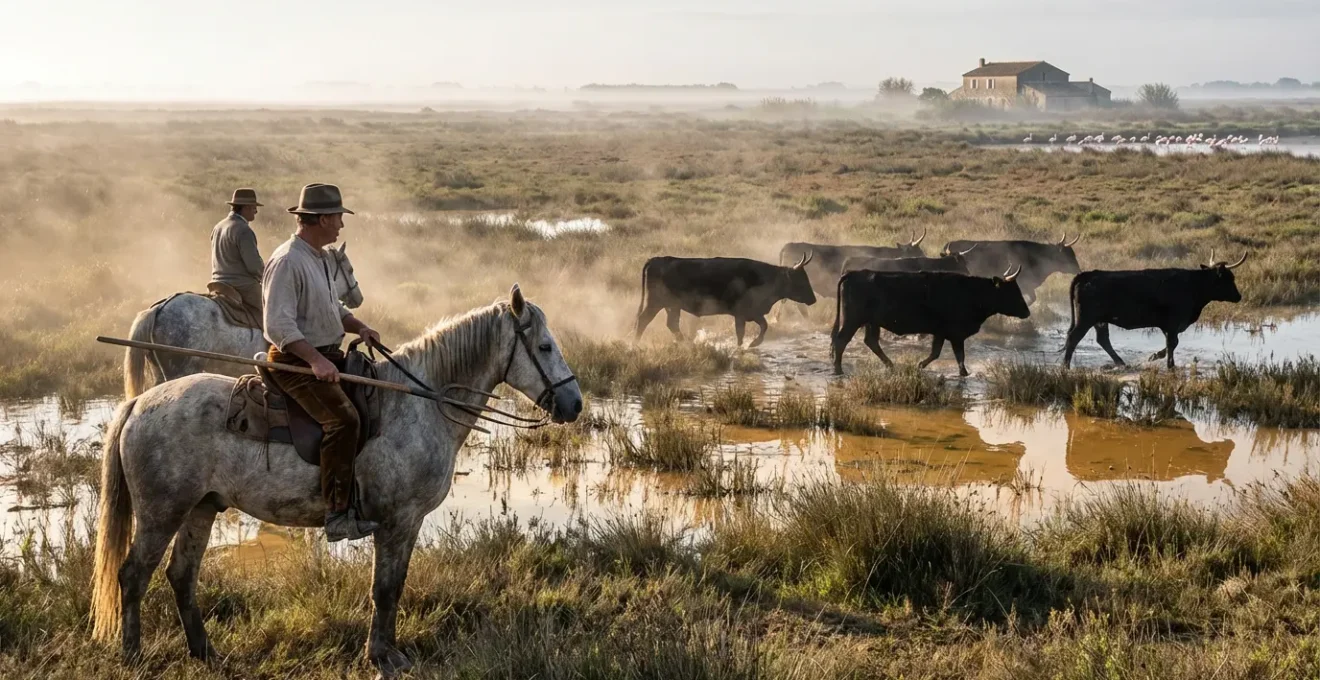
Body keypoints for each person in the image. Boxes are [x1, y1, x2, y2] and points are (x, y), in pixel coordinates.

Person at [262, 183, 382, 542]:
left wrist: (360, 327)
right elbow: (278, 325)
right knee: (343, 421)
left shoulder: (320, 258)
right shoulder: (287, 261)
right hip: (293, 362)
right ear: (323, 218)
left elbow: (333, 309)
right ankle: (337, 514)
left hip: (326, 354)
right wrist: (315, 361)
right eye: (339, 219)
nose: (342, 226)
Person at [210, 188, 266, 312]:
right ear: (245, 208)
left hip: (217, 284)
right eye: (253, 207)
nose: (256, 211)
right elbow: (254, 266)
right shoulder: (244, 230)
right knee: (274, 311)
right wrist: (269, 276)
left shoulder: (218, 227)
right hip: (242, 286)